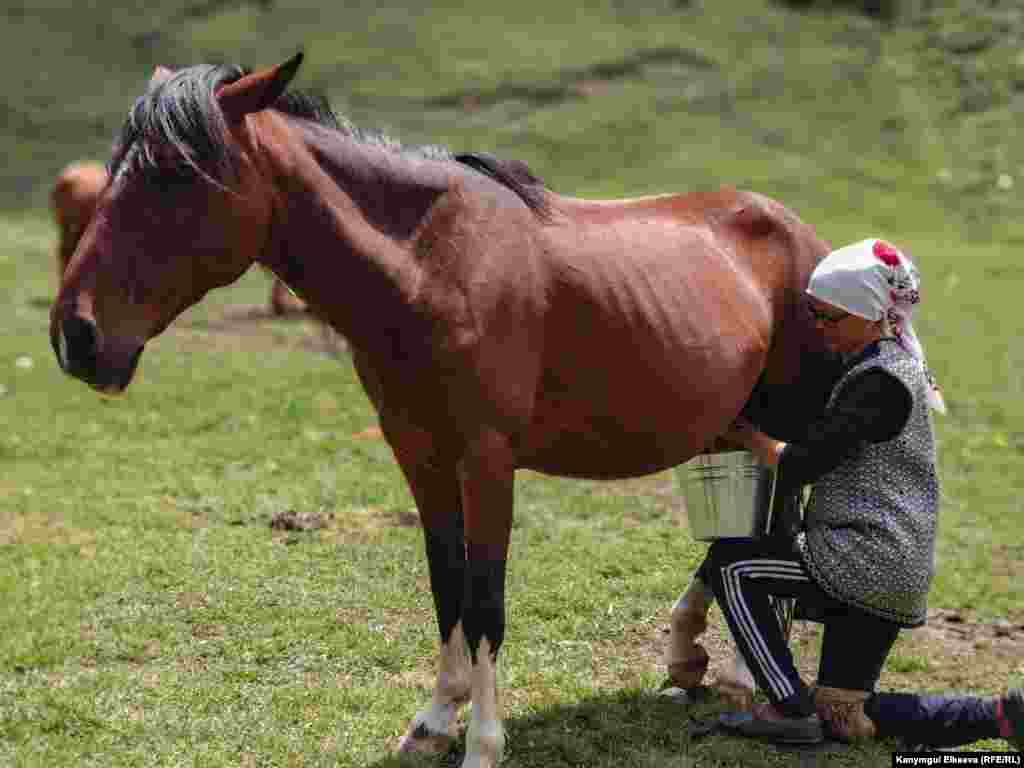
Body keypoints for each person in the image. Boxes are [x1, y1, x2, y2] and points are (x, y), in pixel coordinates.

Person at [697, 237, 1021, 749]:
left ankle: (786, 708)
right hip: (893, 567)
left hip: (861, 559)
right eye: (815, 317)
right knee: (843, 715)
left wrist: (743, 435)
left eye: (831, 319)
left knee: (732, 564)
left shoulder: (879, 382)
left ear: (871, 315)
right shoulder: (887, 364)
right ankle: (1002, 717)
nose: (821, 330)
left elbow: (802, 465)